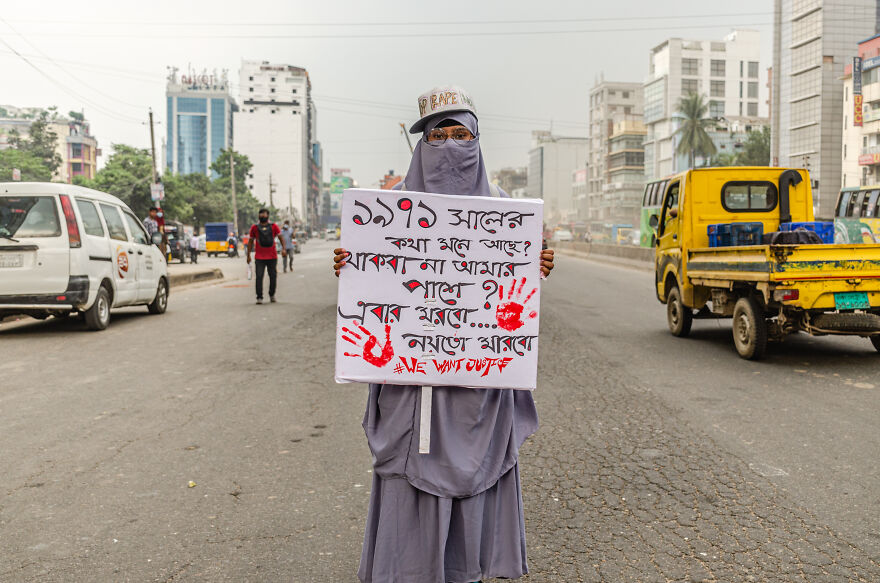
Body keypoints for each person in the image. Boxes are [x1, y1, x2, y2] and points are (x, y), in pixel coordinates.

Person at [333, 86, 555, 583]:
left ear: (477, 140)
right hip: (412, 386)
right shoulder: (387, 211)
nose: (450, 145)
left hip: (480, 386)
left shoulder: (505, 212)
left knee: (478, 473)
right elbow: (376, 288)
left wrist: (535, 264)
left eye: (461, 134)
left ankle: (464, 571)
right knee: (409, 475)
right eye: (438, 136)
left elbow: (506, 296)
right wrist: (352, 264)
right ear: (421, 144)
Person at [247, 209, 286, 304]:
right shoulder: (255, 227)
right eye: (261, 214)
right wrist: (248, 255)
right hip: (260, 257)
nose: (262, 216)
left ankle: (271, 295)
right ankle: (260, 297)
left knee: (272, 276)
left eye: (264, 214)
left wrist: (284, 249)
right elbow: (250, 241)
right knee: (260, 277)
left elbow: (281, 237)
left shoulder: (273, 226)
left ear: (268, 215)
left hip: (271, 256)